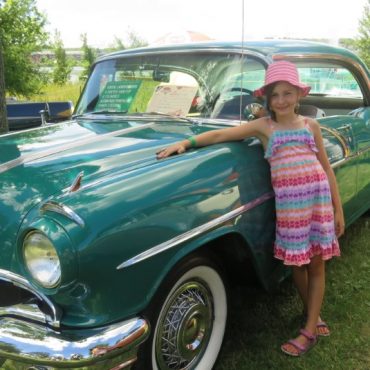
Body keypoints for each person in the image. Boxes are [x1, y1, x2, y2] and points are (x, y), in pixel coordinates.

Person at [156, 60, 344, 356]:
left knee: (317, 264)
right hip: (291, 210)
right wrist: (187, 142)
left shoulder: (311, 126)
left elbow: (326, 169)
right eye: (275, 95)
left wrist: (338, 208)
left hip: (317, 202)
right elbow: (220, 135)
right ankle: (312, 312)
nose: (281, 100)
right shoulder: (264, 127)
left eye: (287, 93)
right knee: (297, 264)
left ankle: (309, 330)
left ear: (298, 95)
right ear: (267, 99)